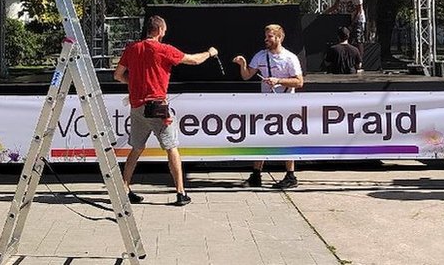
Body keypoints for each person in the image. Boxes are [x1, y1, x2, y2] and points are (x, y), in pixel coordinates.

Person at [114, 15, 218, 206]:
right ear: (160, 30)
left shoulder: (132, 49)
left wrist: (135, 84)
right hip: (157, 106)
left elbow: (118, 75)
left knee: (136, 148)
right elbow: (194, 60)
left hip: (136, 106)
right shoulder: (164, 49)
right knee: (172, 148)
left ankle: (124, 188)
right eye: (164, 29)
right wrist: (210, 53)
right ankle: (180, 192)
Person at [232, 24, 304, 189]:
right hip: (265, 104)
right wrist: (242, 64)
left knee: (286, 138)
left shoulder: (290, 58)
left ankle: (290, 175)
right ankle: (256, 174)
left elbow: (299, 82)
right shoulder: (260, 55)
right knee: (262, 136)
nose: (266, 40)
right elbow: (246, 76)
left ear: (279, 38)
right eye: (266, 37)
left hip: (286, 104)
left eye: (270, 36)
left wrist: (278, 81)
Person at [326, 0, 366, 71]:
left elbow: (359, 11)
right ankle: (345, 62)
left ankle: (359, 63)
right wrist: (326, 12)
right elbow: (335, 6)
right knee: (345, 38)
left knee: (358, 39)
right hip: (346, 17)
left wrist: (352, 23)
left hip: (357, 18)